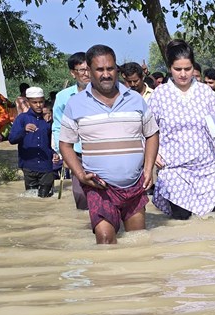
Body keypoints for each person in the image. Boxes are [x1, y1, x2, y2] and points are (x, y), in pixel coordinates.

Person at [58, 45, 158, 245]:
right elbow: (65, 144)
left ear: (117, 70)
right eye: (100, 69)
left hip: (134, 185)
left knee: (138, 242)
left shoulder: (136, 99)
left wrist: (148, 169)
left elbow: (152, 134)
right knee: (104, 240)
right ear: (90, 71)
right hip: (99, 187)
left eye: (110, 69)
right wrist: (80, 175)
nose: (106, 74)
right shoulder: (75, 103)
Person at [148, 39, 215, 220]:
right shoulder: (159, 95)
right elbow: (147, 130)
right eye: (178, 69)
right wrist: (155, 155)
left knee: (209, 224)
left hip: (207, 169)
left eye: (188, 69)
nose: (183, 74)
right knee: (181, 222)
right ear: (170, 68)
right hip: (174, 169)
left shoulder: (207, 93)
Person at [52, 52, 90, 209]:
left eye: (89, 69)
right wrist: (62, 154)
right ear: (73, 73)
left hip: (101, 152)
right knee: (81, 196)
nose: (86, 74)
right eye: (81, 70)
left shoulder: (104, 94)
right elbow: (57, 126)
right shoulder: (63, 97)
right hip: (77, 154)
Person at [8, 86, 58, 197]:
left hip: (46, 166)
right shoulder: (22, 119)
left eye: (41, 102)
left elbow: (51, 141)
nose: (39, 105)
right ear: (28, 102)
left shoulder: (48, 119)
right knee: (31, 200)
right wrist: (23, 130)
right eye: (35, 102)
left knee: (45, 198)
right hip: (28, 166)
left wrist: (54, 153)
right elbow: (11, 140)